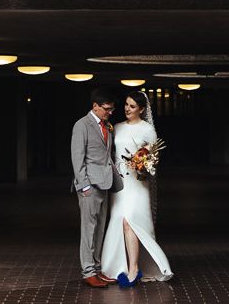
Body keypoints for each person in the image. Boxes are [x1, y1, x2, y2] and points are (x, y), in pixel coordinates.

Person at [100, 91, 174, 286]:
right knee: (119, 221)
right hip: (119, 185)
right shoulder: (116, 127)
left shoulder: (147, 129)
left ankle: (134, 269)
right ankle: (117, 267)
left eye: (132, 106)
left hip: (138, 184)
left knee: (129, 222)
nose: (127, 108)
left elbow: (154, 159)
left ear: (141, 109)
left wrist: (142, 164)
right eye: (126, 104)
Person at [70, 87, 124, 288]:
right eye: (107, 109)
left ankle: (98, 269)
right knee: (88, 230)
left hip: (106, 183)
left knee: (100, 229)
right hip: (90, 186)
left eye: (111, 109)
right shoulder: (81, 125)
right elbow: (77, 158)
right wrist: (84, 186)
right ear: (95, 106)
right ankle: (88, 272)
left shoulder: (106, 125)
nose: (110, 112)